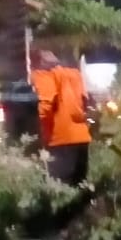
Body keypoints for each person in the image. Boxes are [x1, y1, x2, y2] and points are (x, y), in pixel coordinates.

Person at [30, 49, 94, 186]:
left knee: (60, 189)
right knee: (79, 187)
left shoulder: (44, 74)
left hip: (59, 139)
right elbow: (85, 102)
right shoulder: (75, 74)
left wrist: (37, 128)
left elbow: (46, 103)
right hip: (81, 138)